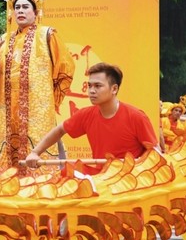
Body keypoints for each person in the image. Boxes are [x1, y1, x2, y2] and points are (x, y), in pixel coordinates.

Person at [0, 0, 75, 171]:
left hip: (37, 109)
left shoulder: (48, 35)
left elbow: (66, 67)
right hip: (8, 111)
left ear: (35, 11)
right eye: (17, 7)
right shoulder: (4, 40)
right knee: (9, 165)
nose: (20, 11)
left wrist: (51, 97)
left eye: (25, 7)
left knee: (38, 164)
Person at [25, 63, 159, 174]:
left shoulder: (136, 116)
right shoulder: (86, 115)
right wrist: (35, 153)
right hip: (101, 177)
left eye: (98, 86)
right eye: (89, 86)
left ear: (114, 89)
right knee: (67, 173)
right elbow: (60, 130)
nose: (91, 90)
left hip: (129, 178)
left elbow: (156, 153)